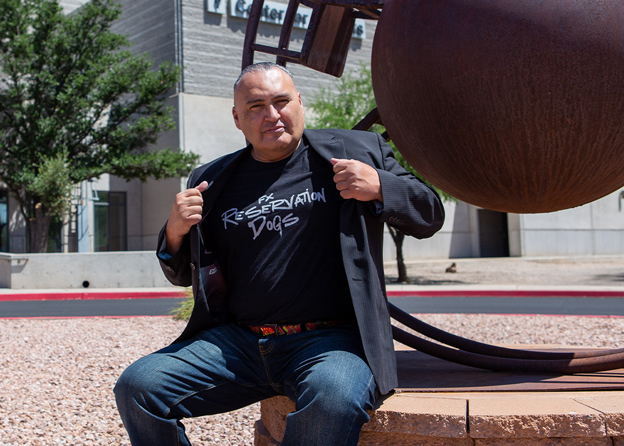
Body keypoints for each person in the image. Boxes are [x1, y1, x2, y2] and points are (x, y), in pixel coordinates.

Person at [114, 62, 445, 446]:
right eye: (255, 107)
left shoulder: (358, 152)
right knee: (139, 387)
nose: (271, 115)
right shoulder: (213, 181)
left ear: (300, 103)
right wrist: (173, 232)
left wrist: (381, 187)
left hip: (331, 343)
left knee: (334, 398)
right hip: (238, 345)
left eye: (281, 101)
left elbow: (429, 216)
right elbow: (183, 274)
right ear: (238, 118)